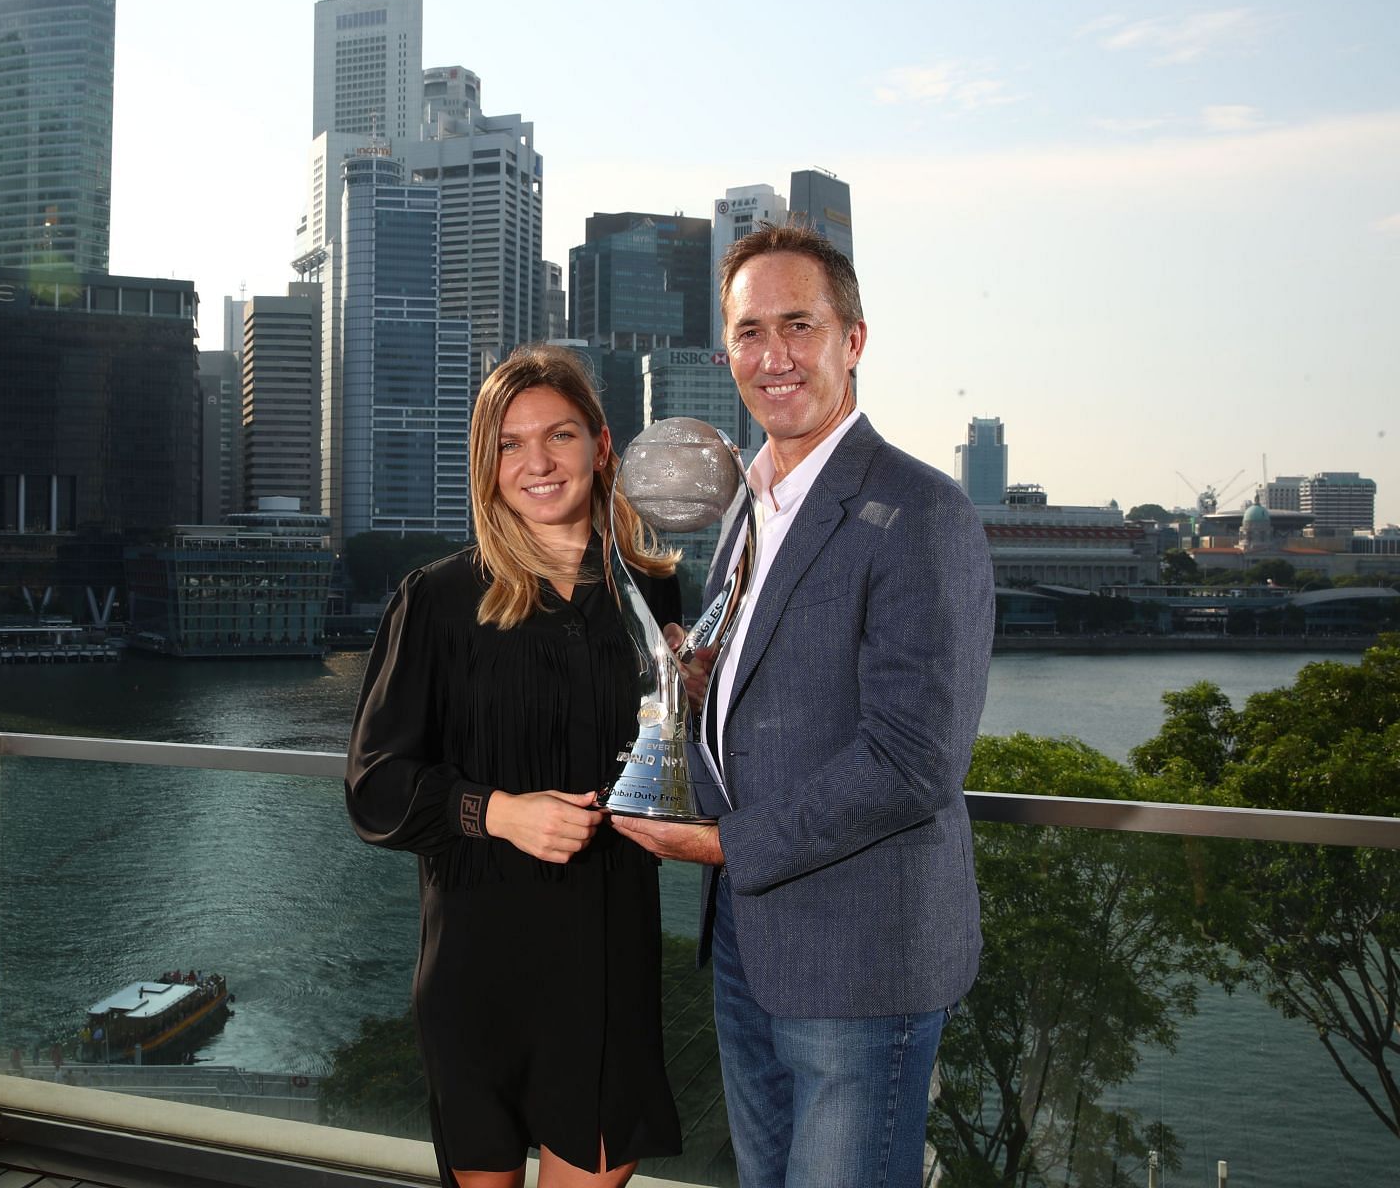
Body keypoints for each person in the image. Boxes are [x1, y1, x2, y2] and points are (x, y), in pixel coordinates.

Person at [614, 223, 993, 1188]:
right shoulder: (750, 504)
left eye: (800, 326)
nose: (772, 357)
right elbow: (769, 670)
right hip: (749, 936)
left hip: (862, 959)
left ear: (853, 339)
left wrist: (725, 844)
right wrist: (700, 679)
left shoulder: (923, 512)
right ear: (724, 352)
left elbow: (913, 760)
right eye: (749, 333)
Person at [347, 345, 685, 1188]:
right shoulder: (436, 600)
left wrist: (694, 699)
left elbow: (673, 762)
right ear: (486, 464)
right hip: (478, 962)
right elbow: (373, 786)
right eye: (509, 443)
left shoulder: (652, 594)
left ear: (601, 446)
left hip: (609, 960)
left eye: (560, 435)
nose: (536, 462)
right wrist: (497, 812)